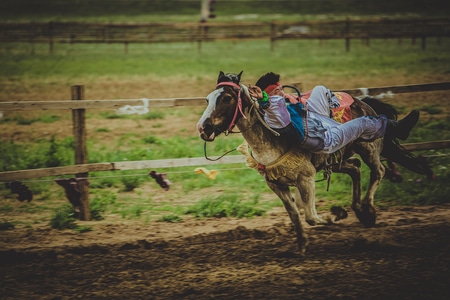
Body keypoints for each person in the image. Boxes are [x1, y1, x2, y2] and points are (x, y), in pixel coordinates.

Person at [248, 72, 419, 154]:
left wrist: (266, 98)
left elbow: (273, 106)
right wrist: (263, 98)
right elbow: (273, 109)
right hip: (326, 139)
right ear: (270, 96)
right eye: (277, 91)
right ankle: (397, 128)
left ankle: (389, 128)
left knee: (320, 90)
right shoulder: (276, 114)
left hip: (320, 125)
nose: (282, 93)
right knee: (365, 122)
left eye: (281, 89)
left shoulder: (280, 107)